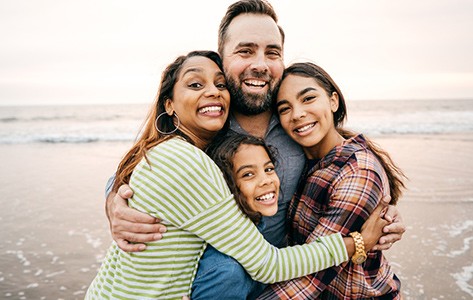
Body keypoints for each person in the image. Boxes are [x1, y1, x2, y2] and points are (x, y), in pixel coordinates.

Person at [86, 50, 388, 300]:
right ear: (169, 105)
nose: (212, 92)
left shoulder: (282, 124)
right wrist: (358, 243)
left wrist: (370, 184)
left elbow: (330, 148)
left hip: (119, 290)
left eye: (219, 85)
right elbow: (267, 265)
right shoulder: (190, 156)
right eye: (195, 85)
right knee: (228, 270)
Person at [257, 62, 406, 299]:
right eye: (285, 109)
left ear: (333, 101)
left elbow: (311, 275)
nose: (297, 114)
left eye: (308, 99)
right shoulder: (297, 159)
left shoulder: (358, 171)